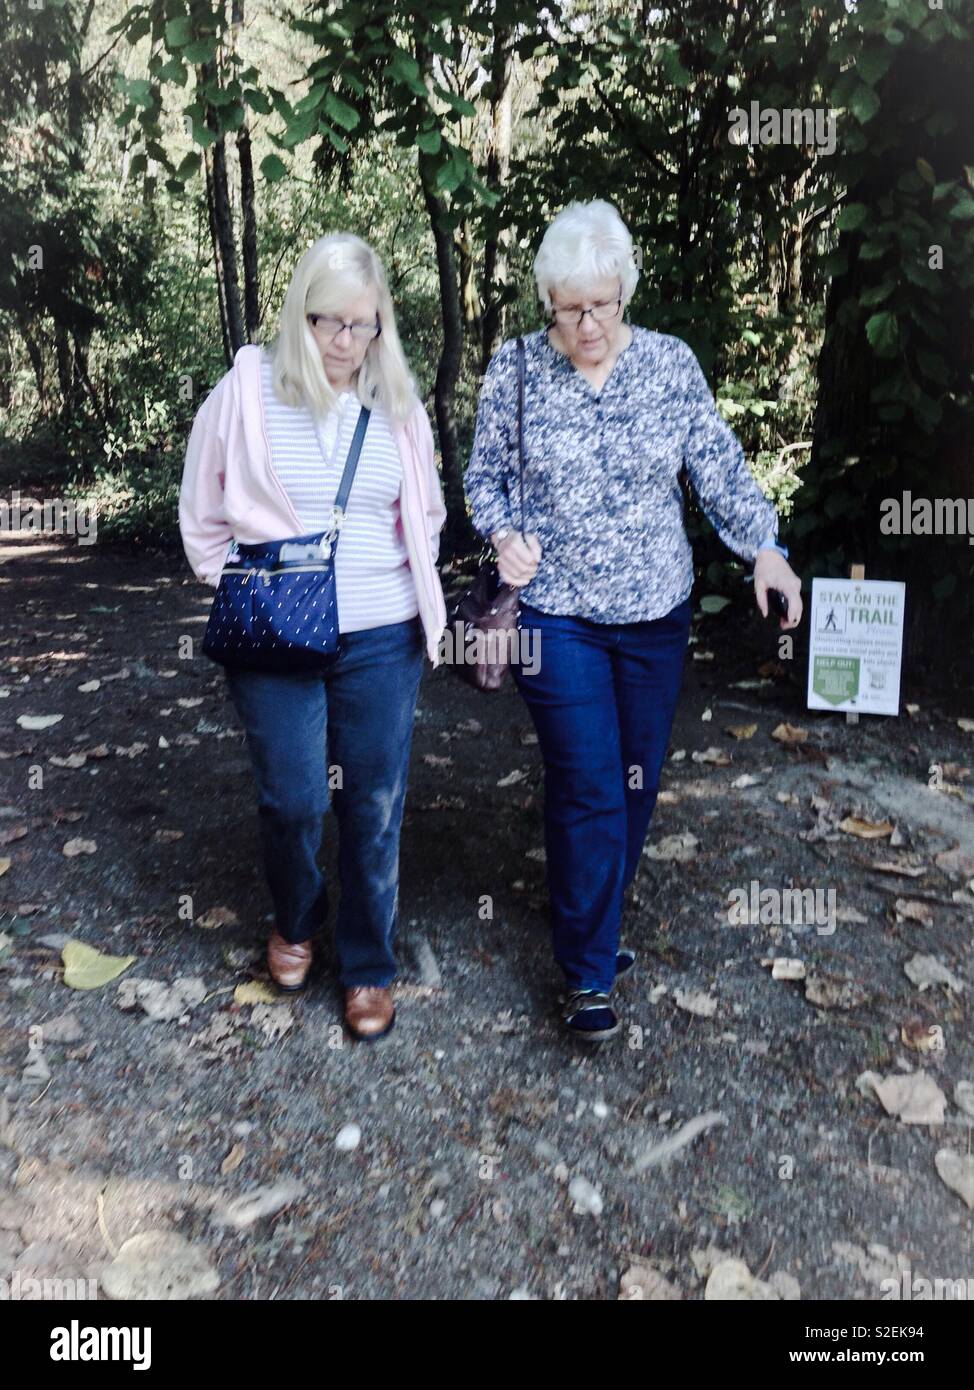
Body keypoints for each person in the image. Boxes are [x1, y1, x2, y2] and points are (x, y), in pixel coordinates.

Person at [464, 199, 803, 1042]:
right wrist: (503, 535)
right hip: (558, 613)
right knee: (585, 781)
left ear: (625, 294)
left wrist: (763, 546)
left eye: (603, 305)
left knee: (634, 783)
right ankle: (585, 975)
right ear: (548, 300)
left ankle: (595, 923)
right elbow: (483, 481)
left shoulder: (668, 365)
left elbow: (717, 464)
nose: (588, 323)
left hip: (655, 612)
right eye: (571, 307)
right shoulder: (513, 372)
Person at [179, 232, 447, 1039]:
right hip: (275, 633)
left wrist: (407, 585)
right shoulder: (249, 386)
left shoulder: (396, 401)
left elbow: (425, 513)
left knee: (372, 805)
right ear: (301, 312)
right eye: (331, 322)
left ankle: (368, 966)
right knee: (293, 798)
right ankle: (296, 917)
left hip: (380, 633)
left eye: (365, 326)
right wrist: (242, 585)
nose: (347, 343)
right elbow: (202, 509)